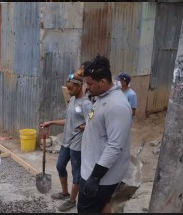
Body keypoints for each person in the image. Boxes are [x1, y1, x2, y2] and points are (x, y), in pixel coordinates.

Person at [79, 56, 132, 214]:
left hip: (100, 177)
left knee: (86, 210)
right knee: (102, 208)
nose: (87, 88)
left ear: (102, 82)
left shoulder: (117, 105)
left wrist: (95, 177)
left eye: (89, 84)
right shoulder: (103, 97)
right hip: (91, 169)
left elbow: (115, 146)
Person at [39, 65, 92, 212]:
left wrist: (83, 127)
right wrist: (51, 122)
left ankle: (72, 200)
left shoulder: (86, 104)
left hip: (78, 144)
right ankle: (64, 192)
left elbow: (92, 123)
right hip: (67, 141)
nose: (69, 91)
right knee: (60, 166)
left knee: (77, 174)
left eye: (71, 89)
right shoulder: (73, 100)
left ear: (79, 86)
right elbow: (68, 120)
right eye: (68, 88)